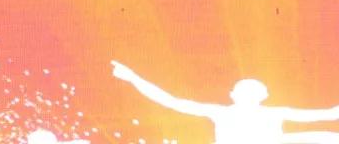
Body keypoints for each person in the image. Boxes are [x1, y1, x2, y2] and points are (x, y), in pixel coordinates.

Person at [112, 60, 339, 144]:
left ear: (263, 96)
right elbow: (171, 101)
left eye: (253, 91)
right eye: (244, 90)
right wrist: (133, 78)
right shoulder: (220, 113)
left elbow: (329, 114)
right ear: (233, 94)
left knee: (327, 137)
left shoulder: (275, 113)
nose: (248, 95)